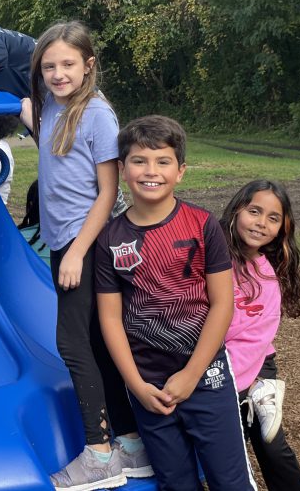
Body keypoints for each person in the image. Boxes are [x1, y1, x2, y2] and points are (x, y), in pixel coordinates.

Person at [95, 115, 257, 490]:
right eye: (139, 161)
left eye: (163, 161)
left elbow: (222, 305)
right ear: (122, 169)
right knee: (176, 483)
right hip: (148, 386)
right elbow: (111, 320)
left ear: (180, 171)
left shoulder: (203, 226)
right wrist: (135, 385)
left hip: (207, 377)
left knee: (230, 482)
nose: (151, 171)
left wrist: (191, 374)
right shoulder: (110, 240)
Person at [18, 21, 147, 490]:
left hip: (86, 244)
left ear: (88, 65)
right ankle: (131, 446)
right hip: (63, 242)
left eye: (68, 64)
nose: (57, 73)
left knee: (73, 344)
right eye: (49, 65)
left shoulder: (95, 113)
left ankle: (98, 453)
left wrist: (76, 253)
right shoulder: (51, 105)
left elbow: (108, 193)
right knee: (94, 343)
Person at [220, 180, 300, 491]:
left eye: (273, 218)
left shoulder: (265, 274)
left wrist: (234, 385)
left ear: (282, 227)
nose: (261, 223)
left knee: (270, 444)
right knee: (232, 445)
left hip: (254, 365)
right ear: (235, 211)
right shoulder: (212, 258)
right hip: (217, 363)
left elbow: (254, 340)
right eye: (254, 211)